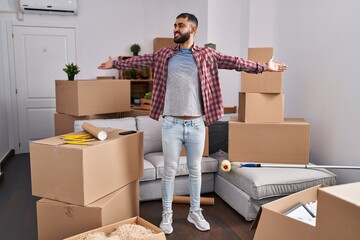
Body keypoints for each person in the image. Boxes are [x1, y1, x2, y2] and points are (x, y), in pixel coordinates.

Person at [98, 12, 287, 234]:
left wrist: (264, 67)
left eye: (180, 25)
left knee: (194, 171)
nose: (175, 29)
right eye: (174, 25)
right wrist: (115, 63)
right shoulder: (165, 54)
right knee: (169, 172)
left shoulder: (208, 55)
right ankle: (167, 214)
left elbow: (236, 62)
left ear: (193, 29)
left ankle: (194, 212)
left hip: (197, 124)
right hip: (171, 125)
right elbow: (142, 60)